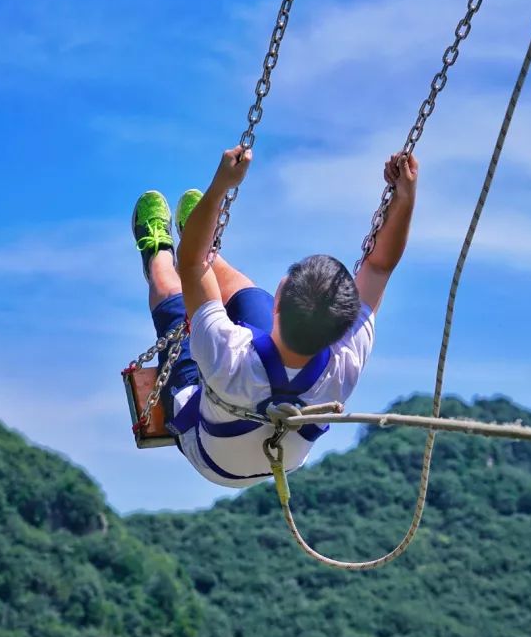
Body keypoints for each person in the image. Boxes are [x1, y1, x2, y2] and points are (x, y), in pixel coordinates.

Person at [131, 147, 418, 487]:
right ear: (344, 325)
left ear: (278, 304)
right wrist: (406, 197)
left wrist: (221, 186)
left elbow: (190, 264)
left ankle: (157, 251)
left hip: (210, 454)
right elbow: (380, 266)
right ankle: (206, 239)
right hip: (279, 449)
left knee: (173, 296)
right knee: (242, 290)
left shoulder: (230, 354)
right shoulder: (345, 362)